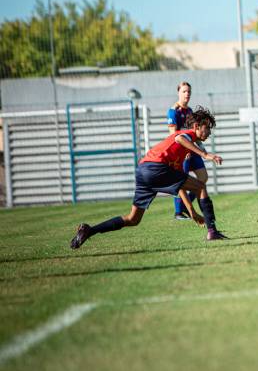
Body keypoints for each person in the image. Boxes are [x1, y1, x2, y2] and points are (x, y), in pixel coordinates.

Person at [70, 106, 227, 248]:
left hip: (143, 170)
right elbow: (179, 139)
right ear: (196, 126)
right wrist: (205, 154)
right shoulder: (185, 134)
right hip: (155, 167)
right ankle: (212, 231)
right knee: (200, 186)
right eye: (207, 128)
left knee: (133, 219)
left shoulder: (182, 151)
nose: (209, 133)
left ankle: (90, 230)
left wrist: (191, 211)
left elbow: (179, 185)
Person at [167, 81, 209, 220]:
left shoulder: (190, 111)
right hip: (182, 152)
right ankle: (179, 212)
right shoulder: (173, 111)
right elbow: (174, 135)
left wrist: (201, 148)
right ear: (178, 92)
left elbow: (194, 132)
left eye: (189, 91)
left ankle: (186, 204)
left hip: (193, 150)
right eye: (184, 91)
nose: (187, 94)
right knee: (181, 181)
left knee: (203, 178)